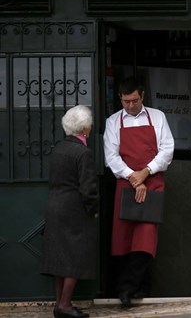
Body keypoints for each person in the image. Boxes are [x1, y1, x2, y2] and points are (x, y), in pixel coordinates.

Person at [103, 76, 174, 307]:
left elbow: (167, 150)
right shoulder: (113, 122)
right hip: (126, 183)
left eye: (134, 101)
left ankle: (126, 289)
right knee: (123, 239)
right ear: (120, 99)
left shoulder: (158, 117)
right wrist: (135, 178)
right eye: (126, 102)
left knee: (145, 238)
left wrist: (146, 172)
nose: (130, 106)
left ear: (142, 96)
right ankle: (139, 287)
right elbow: (111, 157)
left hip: (152, 183)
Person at [41, 105, 99, 318]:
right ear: (84, 129)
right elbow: (88, 189)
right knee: (74, 256)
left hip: (54, 206)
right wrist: (93, 210)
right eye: (90, 125)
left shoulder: (58, 148)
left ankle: (60, 305)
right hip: (74, 209)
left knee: (60, 257)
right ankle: (65, 305)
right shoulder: (83, 152)